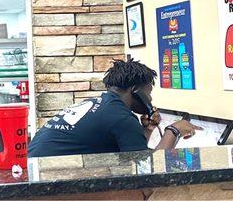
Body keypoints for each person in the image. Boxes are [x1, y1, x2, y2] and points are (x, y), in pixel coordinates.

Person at [28, 59, 202, 157]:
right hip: (51, 187)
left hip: (38, 176)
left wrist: (147, 129)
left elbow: (131, 156)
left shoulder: (102, 105)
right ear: (136, 90)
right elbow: (148, 170)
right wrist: (174, 130)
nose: (150, 99)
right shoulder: (121, 117)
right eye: (149, 93)